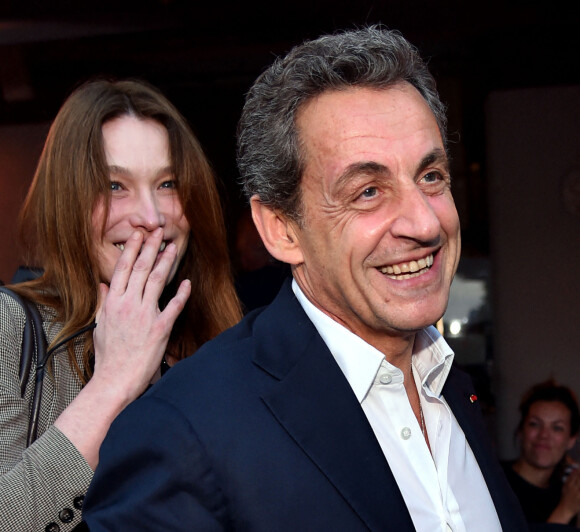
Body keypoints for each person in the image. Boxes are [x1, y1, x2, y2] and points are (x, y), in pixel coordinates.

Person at [82, 26, 528, 531]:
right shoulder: (185, 431)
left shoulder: (452, 391)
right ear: (281, 230)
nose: (425, 224)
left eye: (431, 177)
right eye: (367, 192)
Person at [0, 78, 241, 531]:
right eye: (115, 186)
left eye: (168, 183)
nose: (151, 217)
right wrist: (113, 382)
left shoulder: (220, 340)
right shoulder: (9, 326)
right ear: (66, 199)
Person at [503, 380, 580, 527]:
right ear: (521, 430)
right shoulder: (495, 480)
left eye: (557, 428)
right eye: (535, 424)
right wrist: (565, 511)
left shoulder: (568, 490)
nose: (544, 435)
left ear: (571, 439)